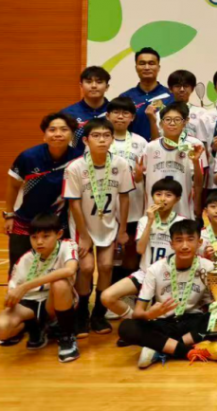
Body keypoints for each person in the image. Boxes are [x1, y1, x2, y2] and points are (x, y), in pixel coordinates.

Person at [117, 220, 217, 369]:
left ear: (199, 242)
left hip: (192, 321)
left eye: (190, 240)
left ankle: (162, 348)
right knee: (126, 328)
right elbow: (138, 312)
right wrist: (149, 314)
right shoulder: (155, 269)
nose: (185, 246)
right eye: (179, 240)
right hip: (164, 323)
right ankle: (188, 350)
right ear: (171, 244)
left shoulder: (209, 267)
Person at [64, 118, 135, 336]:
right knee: (86, 268)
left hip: (109, 225)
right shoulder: (75, 167)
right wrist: (84, 235)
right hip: (83, 227)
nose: (102, 140)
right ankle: (81, 313)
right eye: (96, 136)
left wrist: (122, 230)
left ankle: (98, 314)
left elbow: (124, 198)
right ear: (86, 140)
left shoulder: (121, 164)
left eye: (106, 135)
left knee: (106, 266)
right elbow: (74, 203)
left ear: (112, 139)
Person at [100, 178, 186, 321]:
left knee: (164, 317)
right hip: (145, 274)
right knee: (107, 297)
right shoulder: (144, 221)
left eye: (168, 195)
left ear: (177, 199)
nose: (162, 199)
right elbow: (140, 250)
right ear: (152, 197)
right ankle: (136, 320)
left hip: (170, 277)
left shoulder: (182, 223)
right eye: (158, 194)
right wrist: (150, 221)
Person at [5, 112, 81, 274]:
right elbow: (12, 186)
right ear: (44, 135)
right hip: (25, 222)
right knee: (17, 270)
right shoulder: (28, 157)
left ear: (72, 135)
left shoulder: (79, 159)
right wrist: (9, 215)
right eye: (52, 130)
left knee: (58, 272)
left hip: (59, 224)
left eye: (64, 130)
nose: (58, 134)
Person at [0, 214, 80, 362]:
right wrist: (10, 299)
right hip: (29, 305)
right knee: (2, 328)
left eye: (46, 236)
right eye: (34, 237)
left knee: (60, 283)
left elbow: (69, 270)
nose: (39, 242)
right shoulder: (25, 259)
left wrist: (26, 286)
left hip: (53, 301)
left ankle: (66, 336)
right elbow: (13, 292)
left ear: (59, 234)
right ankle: (34, 328)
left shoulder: (67, 245)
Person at [141, 102, 206, 220]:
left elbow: (198, 182)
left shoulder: (195, 145)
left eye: (177, 120)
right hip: (154, 209)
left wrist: (196, 162)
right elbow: (142, 179)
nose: (172, 123)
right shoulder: (150, 147)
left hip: (183, 207)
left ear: (185, 122)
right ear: (161, 123)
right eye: (168, 119)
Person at [107, 96, 148, 277]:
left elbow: (146, 173)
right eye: (116, 112)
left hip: (134, 204)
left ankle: (129, 285)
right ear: (108, 116)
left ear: (132, 117)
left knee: (131, 247)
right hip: (107, 204)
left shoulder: (141, 142)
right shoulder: (101, 139)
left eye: (125, 113)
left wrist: (140, 177)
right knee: (109, 251)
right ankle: (110, 286)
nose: (120, 116)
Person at [119, 47, 172, 142]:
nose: (147, 67)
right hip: (133, 148)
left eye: (151, 63)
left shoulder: (170, 96)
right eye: (142, 63)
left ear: (158, 67)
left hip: (164, 148)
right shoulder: (125, 97)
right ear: (136, 67)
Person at [62, 65, 111, 152]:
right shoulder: (67, 114)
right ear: (81, 85)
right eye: (89, 82)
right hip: (78, 159)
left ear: (107, 87)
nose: (94, 86)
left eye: (99, 82)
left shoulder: (115, 112)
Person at [165, 70, 211, 144]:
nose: (182, 89)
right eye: (177, 86)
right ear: (170, 89)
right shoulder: (162, 113)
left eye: (186, 86)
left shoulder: (201, 113)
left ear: (192, 89)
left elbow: (204, 142)